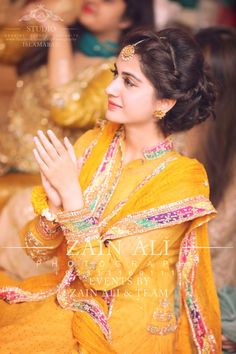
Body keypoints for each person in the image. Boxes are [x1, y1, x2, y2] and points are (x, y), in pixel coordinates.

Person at [0, 27, 221, 353]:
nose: (110, 87)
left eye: (129, 82)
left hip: (121, 326)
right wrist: (54, 208)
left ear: (164, 101)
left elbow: (104, 275)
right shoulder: (94, 143)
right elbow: (35, 250)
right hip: (67, 297)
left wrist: (72, 198)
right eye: (115, 74)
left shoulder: (181, 179)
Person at [0, 0, 154, 279]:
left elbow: (66, 108)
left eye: (107, 0)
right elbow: (6, 50)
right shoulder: (54, 40)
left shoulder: (120, 76)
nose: (93, 1)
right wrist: (24, 18)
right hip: (5, 160)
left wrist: (59, 35)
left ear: (127, 19)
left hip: (45, 180)